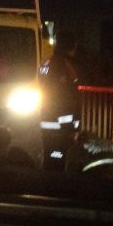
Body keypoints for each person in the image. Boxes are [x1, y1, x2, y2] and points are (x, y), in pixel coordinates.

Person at [39, 31, 82, 170]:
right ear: (71, 46)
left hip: (46, 120)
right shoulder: (66, 67)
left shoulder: (46, 63)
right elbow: (69, 97)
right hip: (61, 125)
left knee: (49, 155)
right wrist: (74, 125)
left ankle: (46, 184)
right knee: (59, 159)